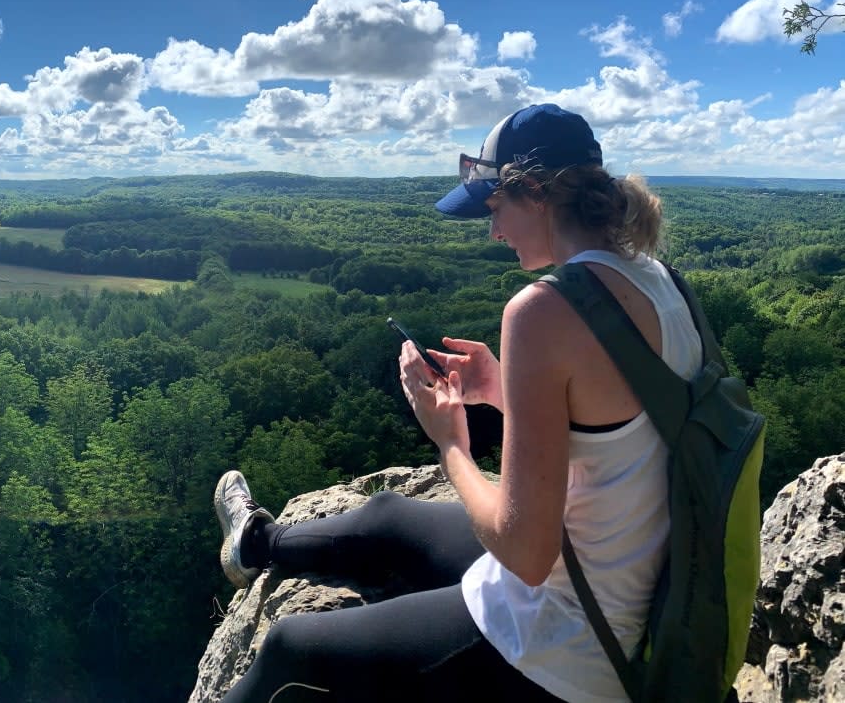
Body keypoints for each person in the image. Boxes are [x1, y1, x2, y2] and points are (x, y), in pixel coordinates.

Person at [212, 103, 700, 703]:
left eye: (496, 208)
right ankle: (254, 544)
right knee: (388, 517)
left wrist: (451, 443)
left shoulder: (543, 311)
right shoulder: (661, 280)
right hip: (629, 584)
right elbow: (620, 427)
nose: (493, 231)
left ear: (537, 193)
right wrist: (500, 389)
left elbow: (524, 552)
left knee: (292, 649)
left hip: (569, 643)